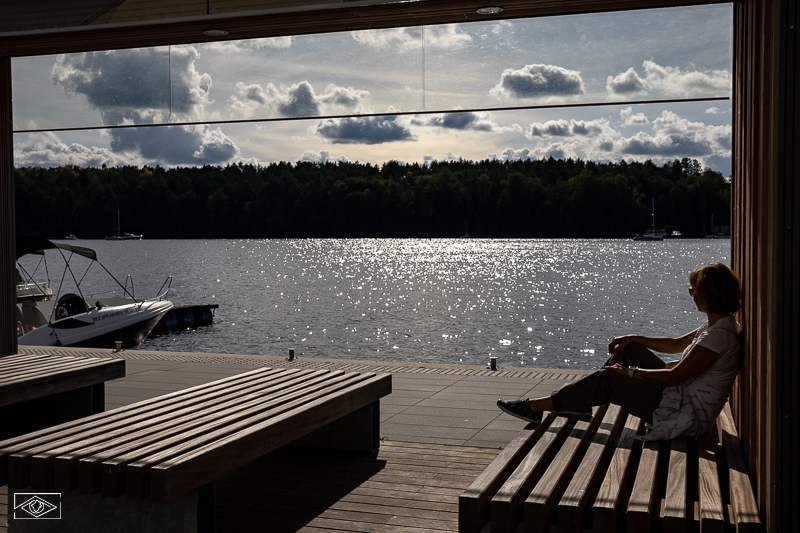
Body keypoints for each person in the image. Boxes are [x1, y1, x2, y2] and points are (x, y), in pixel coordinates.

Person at [497, 262, 742, 441]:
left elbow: (674, 376)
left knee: (610, 379)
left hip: (684, 414)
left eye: (693, 289)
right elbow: (674, 345)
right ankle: (577, 401)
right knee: (630, 351)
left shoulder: (718, 336)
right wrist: (632, 338)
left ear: (708, 295)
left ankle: (537, 406)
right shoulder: (717, 324)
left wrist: (631, 374)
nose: (691, 294)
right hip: (679, 396)